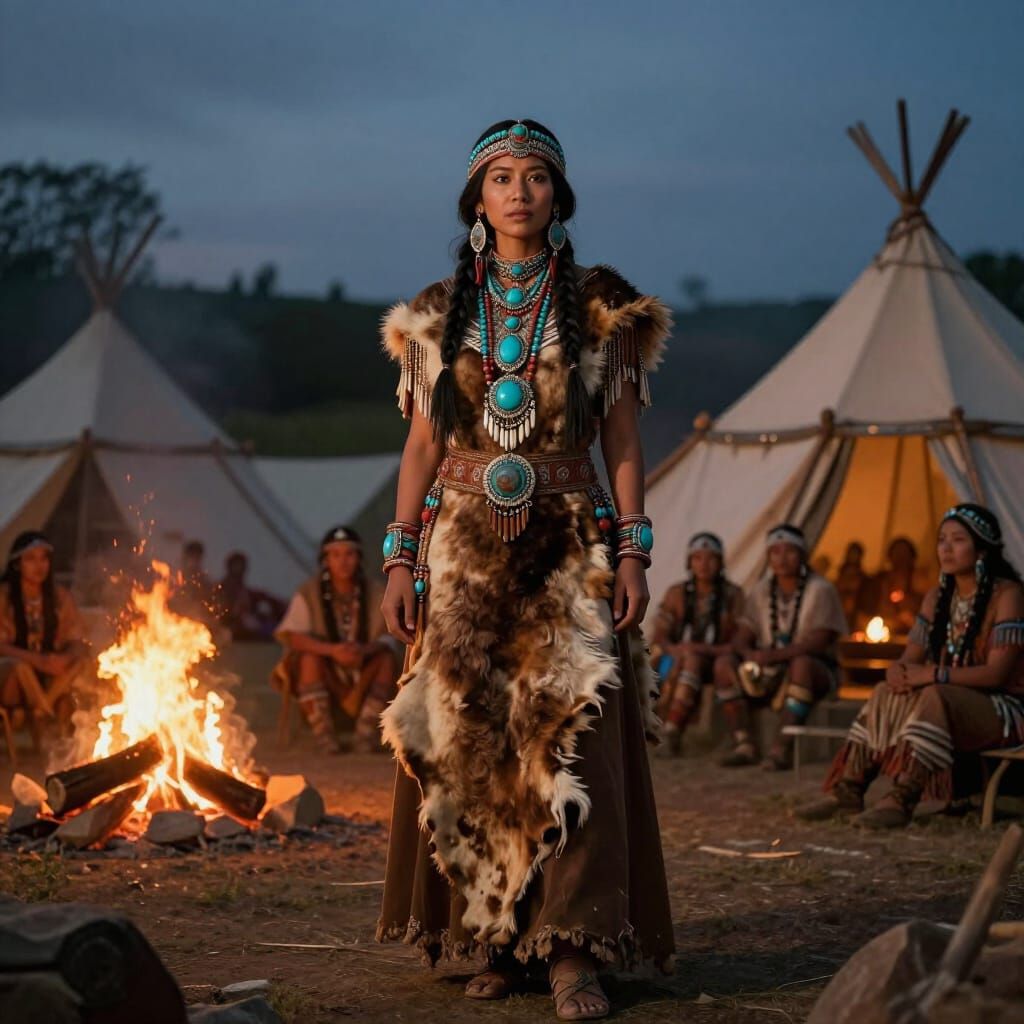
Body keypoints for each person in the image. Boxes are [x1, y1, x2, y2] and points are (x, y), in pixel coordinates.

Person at [375, 119, 673, 1020]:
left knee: (569, 735)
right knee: (475, 741)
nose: (519, 191)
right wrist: (399, 557)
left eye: (536, 176)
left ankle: (575, 945)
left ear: (557, 194)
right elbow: (423, 442)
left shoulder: (600, 306)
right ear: (477, 199)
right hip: (464, 543)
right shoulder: (437, 310)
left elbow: (620, 437)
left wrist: (632, 545)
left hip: (571, 540)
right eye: (501, 177)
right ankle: (496, 934)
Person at [797, 504, 1024, 828]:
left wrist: (932, 674)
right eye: (941, 539)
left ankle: (903, 796)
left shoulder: (1008, 595)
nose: (945, 548)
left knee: (935, 694)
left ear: (982, 549)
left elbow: (997, 673)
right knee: (885, 691)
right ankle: (848, 789)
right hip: (953, 698)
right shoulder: (936, 597)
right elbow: (910, 657)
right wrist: (898, 671)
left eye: (957, 540)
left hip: (1007, 710)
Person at [717, 524, 848, 771]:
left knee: (801, 665)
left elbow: (819, 641)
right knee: (724, 665)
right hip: (770, 671)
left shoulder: (821, 590)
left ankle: (780, 749)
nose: (781, 559)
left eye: (789, 551)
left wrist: (774, 655)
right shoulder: (761, 591)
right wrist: (750, 655)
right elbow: (743, 635)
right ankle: (744, 744)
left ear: (802, 555)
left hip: (814, 670)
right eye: (775, 552)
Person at [273, 526, 399, 754]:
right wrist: (332, 651)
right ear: (326, 559)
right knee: (308, 658)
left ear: (358, 558)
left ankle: (366, 734)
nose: (343, 562)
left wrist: (363, 650)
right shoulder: (309, 593)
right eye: (336, 555)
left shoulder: (377, 592)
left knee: (387, 658)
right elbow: (292, 636)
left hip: (363, 668)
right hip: (326, 672)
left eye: (349, 554)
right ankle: (324, 738)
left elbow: (390, 635)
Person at [649, 532, 744, 756]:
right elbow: (660, 634)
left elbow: (740, 640)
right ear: (689, 562)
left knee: (695, 659)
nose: (704, 565)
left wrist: (701, 650)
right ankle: (671, 732)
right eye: (697, 558)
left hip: (720, 658)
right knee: (688, 661)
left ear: (720, 562)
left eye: (711, 558)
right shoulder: (677, 593)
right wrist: (676, 651)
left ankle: (673, 729)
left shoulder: (733, 594)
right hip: (682, 660)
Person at [0, 531, 88, 740]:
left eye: (44, 558)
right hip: (10, 673)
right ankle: (45, 708)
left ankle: (41, 709)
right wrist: (38, 660)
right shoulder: (3, 596)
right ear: (16, 564)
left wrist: (63, 659)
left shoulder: (59, 597)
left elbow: (77, 639)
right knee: (19, 667)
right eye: (30, 559)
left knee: (81, 662)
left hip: (48, 672)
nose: (39, 565)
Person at [217, 551, 285, 642]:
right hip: (232, 624)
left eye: (241, 566)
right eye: (236, 565)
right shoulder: (224, 587)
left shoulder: (243, 588)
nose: (239, 569)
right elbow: (225, 610)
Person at [864, 536, 924, 636]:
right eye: (897, 552)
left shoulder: (919, 579)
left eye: (904, 553)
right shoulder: (880, 579)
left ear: (911, 556)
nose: (900, 556)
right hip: (883, 628)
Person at [834, 541, 868, 630]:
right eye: (852, 553)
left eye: (856, 553)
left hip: (854, 612)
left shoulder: (862, 577)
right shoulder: (840, 573)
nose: (854, 556)